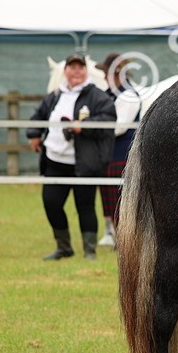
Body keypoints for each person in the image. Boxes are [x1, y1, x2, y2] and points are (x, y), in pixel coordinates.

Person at [26, 53, 117, 261]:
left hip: (83, 163)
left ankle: (89, 251)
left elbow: (108, 118)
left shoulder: (97, 96)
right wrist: (33, 135)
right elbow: (37, 116)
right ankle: (63, 247)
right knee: (51, 203)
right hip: (55, 160)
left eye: (80, 68)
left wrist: (82, 127)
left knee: (85, 206)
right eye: (72, 67)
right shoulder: (55, 95)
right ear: (65, 71)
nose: (76, 71)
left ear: (86, 71)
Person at [95, 52, 134, 248]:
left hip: (122, 155)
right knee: (110, 198)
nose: (103, 77)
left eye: (106, 73)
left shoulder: (128, 95)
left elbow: (120, 126)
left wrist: (94, 128)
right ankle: (116, 237)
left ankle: (125, 239)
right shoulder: (111, 94)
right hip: (109, 154)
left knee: (121, 200)